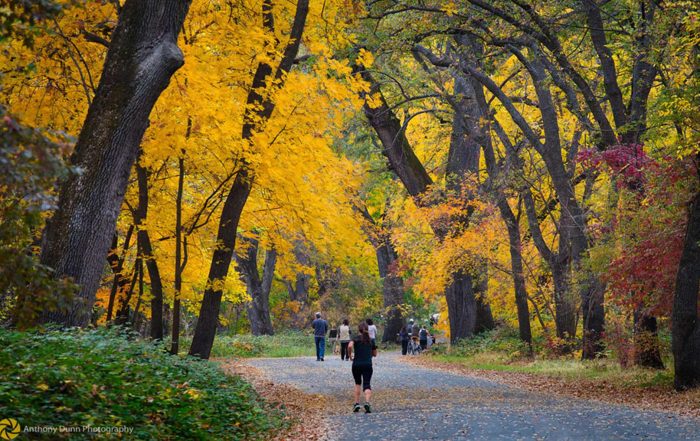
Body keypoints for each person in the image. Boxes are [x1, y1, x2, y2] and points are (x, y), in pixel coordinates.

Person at [348, 322, 377, 413]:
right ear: (367, 329)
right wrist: (370, 354)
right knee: (367, 384)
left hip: (356, 364)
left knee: (357, 383)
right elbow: (375, 354)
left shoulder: (355, 338)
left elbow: (349, 346)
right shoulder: (371, 340)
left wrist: (350, 356)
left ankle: (356, 404)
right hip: (367, 365)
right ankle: (367, 403)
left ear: (359, 329)